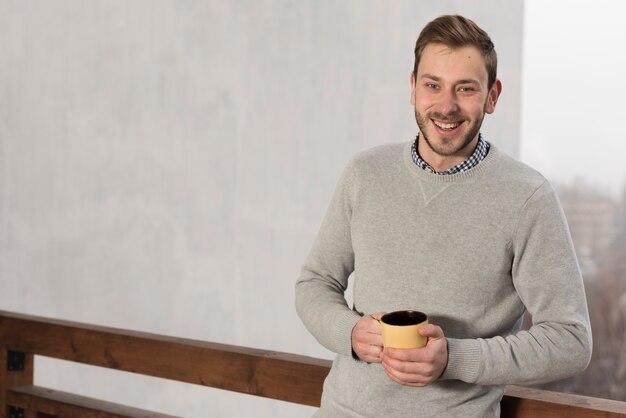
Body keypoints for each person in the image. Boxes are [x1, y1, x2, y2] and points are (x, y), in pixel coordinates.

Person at [295, 14, 592, 418]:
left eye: (465, 89)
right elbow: (315, 283)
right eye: (432, 85)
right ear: (413, 87)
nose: (446, 105)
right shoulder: (364, 173)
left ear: (492, 96)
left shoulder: (528, 198)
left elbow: (570, 340)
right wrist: (351, 332)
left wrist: (454, 357)